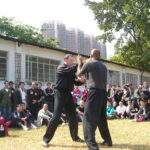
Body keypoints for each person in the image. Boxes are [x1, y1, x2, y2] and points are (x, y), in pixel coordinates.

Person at [42, 54, 84, 147]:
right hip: (59, 93)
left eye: (73, 60)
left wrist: (81, 81)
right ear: (66, 60)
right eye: (71, 60)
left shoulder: (70, 70)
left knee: (73, 116)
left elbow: (75, 81)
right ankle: (46, 139)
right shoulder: (61, 68)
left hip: (68, 94)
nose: (72, 61)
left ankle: (75, 137)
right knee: (56, 116)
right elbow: (72, 69)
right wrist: (79, 63)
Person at [77, 49, 112, 150]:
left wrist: (80, 63)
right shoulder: (103, 66)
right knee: (101, 118)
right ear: (99, 56)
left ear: (90, 55)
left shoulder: (90, 64)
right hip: (102, 93)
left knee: (88, 118)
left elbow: (79, 74)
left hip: (94, 92)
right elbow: (89, 78)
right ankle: (107, 141)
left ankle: (92, 146)